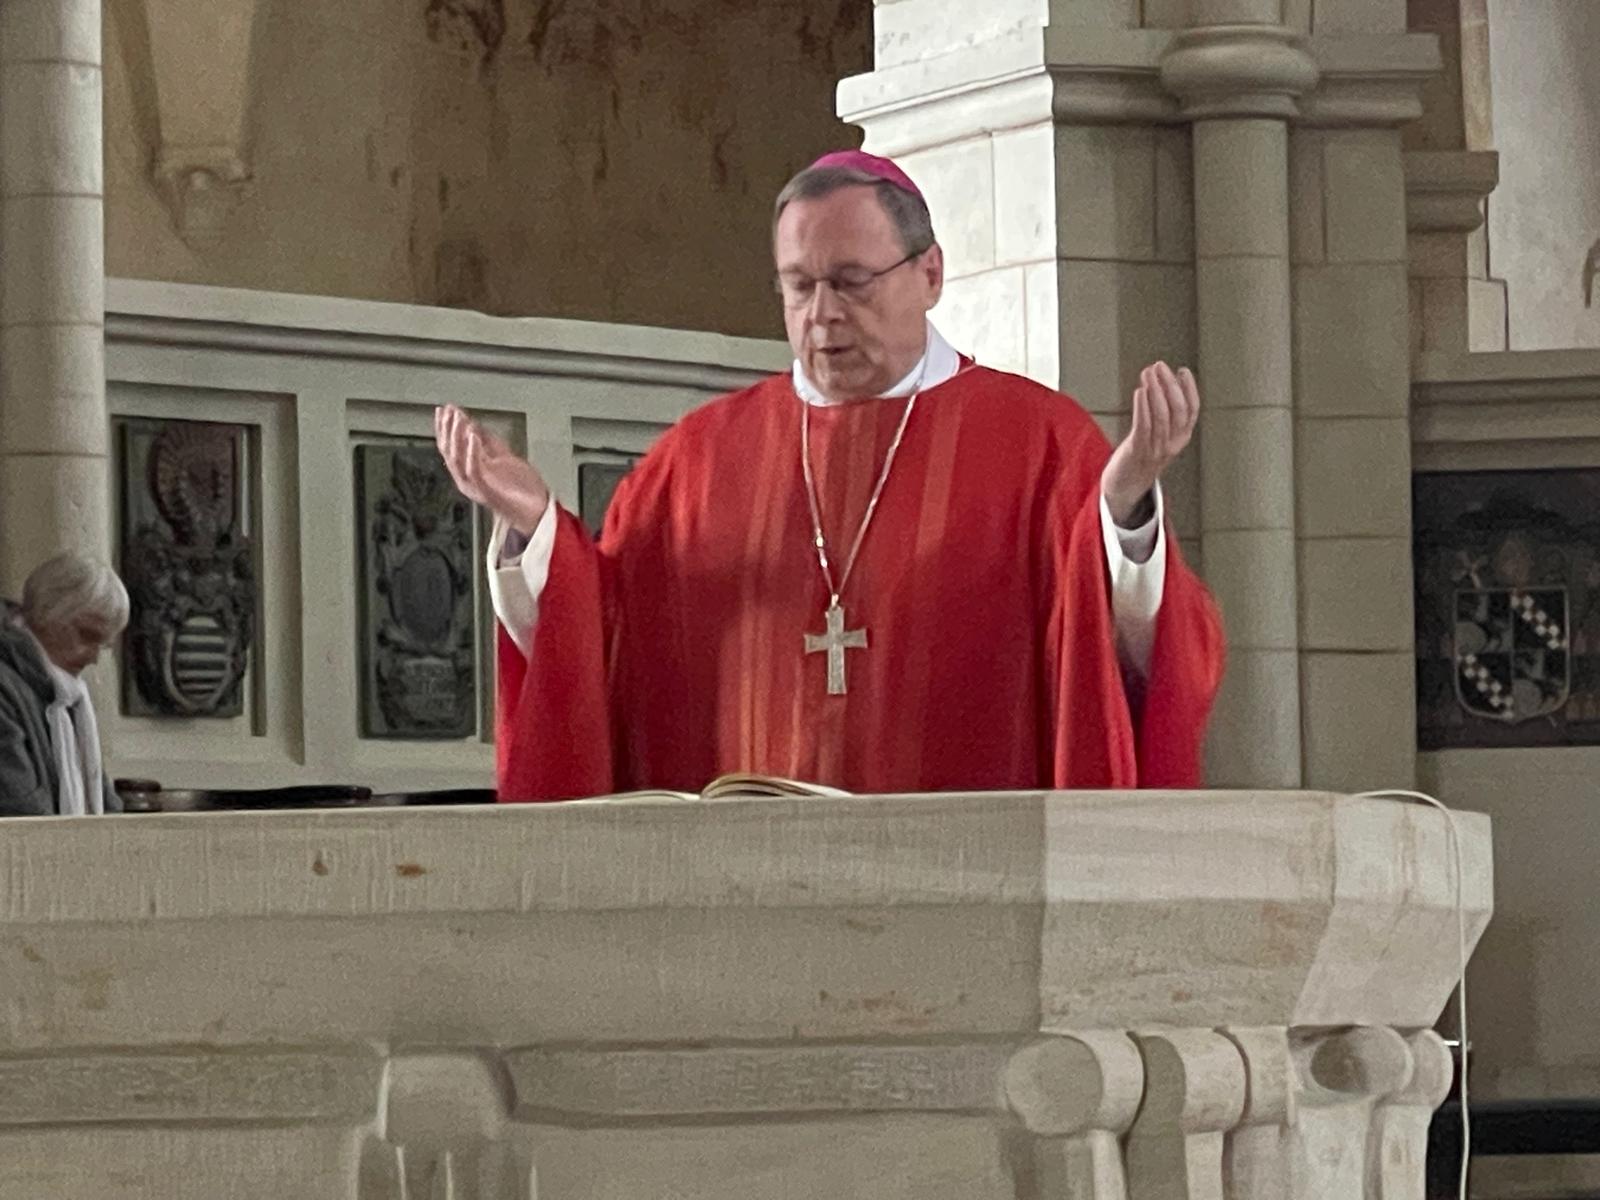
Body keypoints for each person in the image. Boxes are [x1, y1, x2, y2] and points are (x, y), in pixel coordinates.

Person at [438, 150, 1225, 801]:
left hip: (968, 889)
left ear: (929, 274)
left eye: (851, 281)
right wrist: (538, 533)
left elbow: (1125, 663)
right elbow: (602, 649)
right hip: (744, 897)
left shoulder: (1039, 442)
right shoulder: (696, 460)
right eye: (799, 285)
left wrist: (1123, 512)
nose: (821, 314)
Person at [0, 554, 129, 816]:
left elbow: (103, 798)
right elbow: (20, 809)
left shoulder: (67, 693)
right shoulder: (6, 687)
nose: (93, 657)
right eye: (88, 636)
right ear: (46, 614)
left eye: (103, 645)